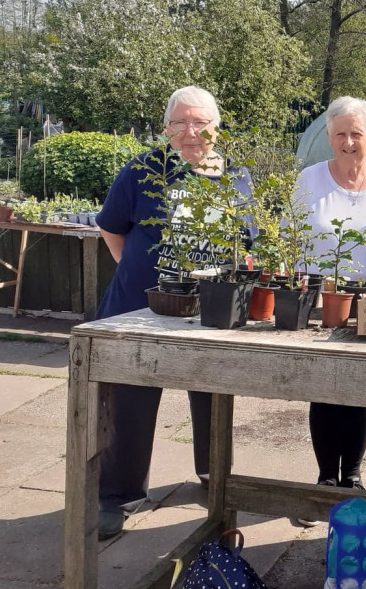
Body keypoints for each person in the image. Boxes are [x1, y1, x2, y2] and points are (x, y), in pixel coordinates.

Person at [96, 85, 254, 540]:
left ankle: (212, 478)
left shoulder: (236, 178)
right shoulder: (143, 170)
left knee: (210, 395)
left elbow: (246, 244)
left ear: (216, 127)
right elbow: (112, 230)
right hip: (138, 310)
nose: (190, 132)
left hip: (208, 313)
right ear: (166, 128)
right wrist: (142, 274)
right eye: (179, 123)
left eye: (200, 122)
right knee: (129, 403)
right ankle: (117, 496)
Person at [295, 97, 366, 519]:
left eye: (356, 133)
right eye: (340, 133)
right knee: (324, 390)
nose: (348, 142)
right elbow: (292, 243)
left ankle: (354, 475)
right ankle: (327, 476)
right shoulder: (309, 180)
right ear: (328, 136)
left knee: (361, 391)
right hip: (321, 304)